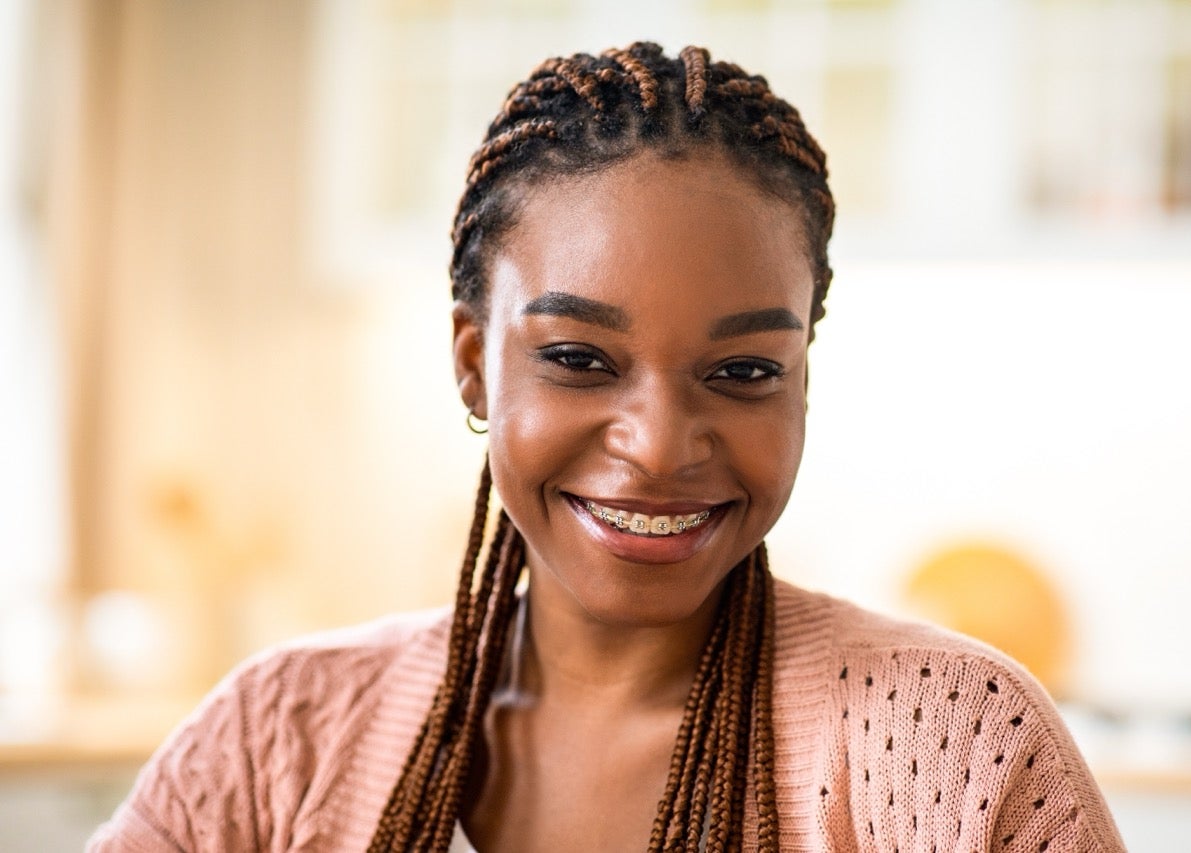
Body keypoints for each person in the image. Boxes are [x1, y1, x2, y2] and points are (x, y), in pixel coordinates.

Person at [89, 43, 1126, 852]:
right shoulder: (281, 737)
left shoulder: (954, 748)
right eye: (580, 358)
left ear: (800, 380)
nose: (658, 444)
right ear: (471, 364)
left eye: (743, 371)